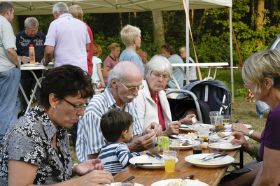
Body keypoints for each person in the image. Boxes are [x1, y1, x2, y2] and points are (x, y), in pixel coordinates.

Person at [0, 65, 113, 185]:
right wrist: (78, 183)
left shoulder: (57, 124)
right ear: (54, 100)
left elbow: (46, 175)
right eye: (77, 105)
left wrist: (75, 169)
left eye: (83, 105)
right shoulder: (26, 133)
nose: (81, 113)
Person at [76, 61, 158, 162]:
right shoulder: (96, 108)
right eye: (131, 87)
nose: (136, 93)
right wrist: (133, 147)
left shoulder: (129, 100)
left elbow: (135, 137)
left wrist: (146, 135)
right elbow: (95, 159)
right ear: (114, 83)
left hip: (124, 164)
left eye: (139, 87)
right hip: (99, 171)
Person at [224, 49, 280, 186]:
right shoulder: (274, 112)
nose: (246, 85)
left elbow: (269, 180)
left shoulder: (277, 116)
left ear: (267, 83)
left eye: (249, 80)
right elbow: (267, 165)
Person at [134, 55, 196, 135]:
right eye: (156, 75)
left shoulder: (161, 93)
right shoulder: (139, 94)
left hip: (164, 143)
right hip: (151, 146)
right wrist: (166, 133)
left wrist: (181, 122)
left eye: (165, 76)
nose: (160, 79)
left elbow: (166, 127)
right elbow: (138, 136)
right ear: (147, 74)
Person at [43, 2, 90, 72]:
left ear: (55, 13)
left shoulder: (55, 24)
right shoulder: (82, 25)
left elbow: (49, 51)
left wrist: (45, 62)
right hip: (81, 68)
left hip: (63, 70)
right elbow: (87, 47)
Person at [0, 2, 20, 143]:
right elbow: (10, 49)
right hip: (7, 69)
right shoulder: (5, 23)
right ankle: (5, 140)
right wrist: (17, 64)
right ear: (8, 12)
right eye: (12, 13)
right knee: (8, 107)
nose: (12, 17)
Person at [16, 17, 45, 114]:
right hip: (24, 71)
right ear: (25, 28)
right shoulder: (18, 36)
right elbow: (11, 53)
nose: (33, 32)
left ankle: (40, 113)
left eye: (35, 30)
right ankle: (25, 113)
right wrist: (20, 58)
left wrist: (44, 59)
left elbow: (47, 50)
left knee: (40, 93)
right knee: (24, 94)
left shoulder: (41, 36)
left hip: (39, 70)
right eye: (31, 30)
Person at [98, 109, 139, 175]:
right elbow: (127, 161)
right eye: (131, 128)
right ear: (125, 133)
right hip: (119, 181)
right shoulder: (120, 146)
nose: (132, 131)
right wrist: (139, 155)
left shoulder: (103, 150)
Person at [69, 4, 94, 76]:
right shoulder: (84, 27)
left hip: (82, 68)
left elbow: (87, 49)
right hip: (84, 67)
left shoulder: (83, 28)